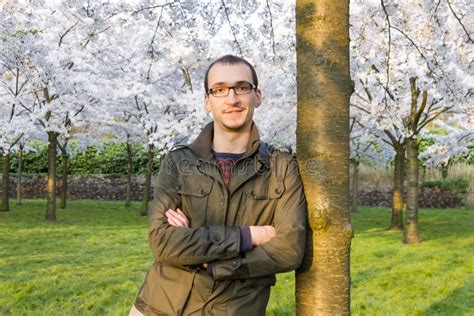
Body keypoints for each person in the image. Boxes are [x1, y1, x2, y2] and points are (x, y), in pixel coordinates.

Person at [130, 55, 306, 315]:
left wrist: (213, 265)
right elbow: (163, 243)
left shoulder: (282, 168)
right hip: (159, 306)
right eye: (220, 90)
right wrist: (249, 237)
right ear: (207, 101)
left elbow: (288, 250)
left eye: (242, 87)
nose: (232, 98)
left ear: (257, 96)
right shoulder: (177, 163)